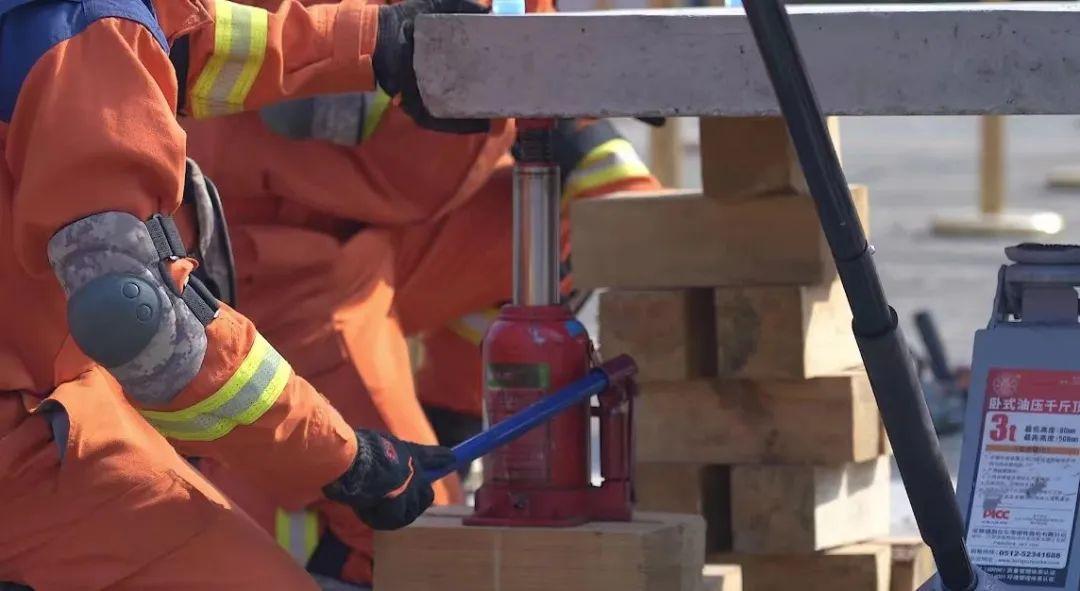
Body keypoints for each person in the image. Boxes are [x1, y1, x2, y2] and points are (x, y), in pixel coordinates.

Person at [0, 0, 484, 587]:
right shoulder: (91, 38)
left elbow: (183, 44)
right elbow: (135, 321)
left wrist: (376, 42)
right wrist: (346, 460)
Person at [182, 54, 661, 590]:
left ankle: (451, 413)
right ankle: (343, 557)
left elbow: (508, 37)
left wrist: (593, 148)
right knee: (414, 521)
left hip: (384, 219)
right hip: (274, 260)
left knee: (550, 223)